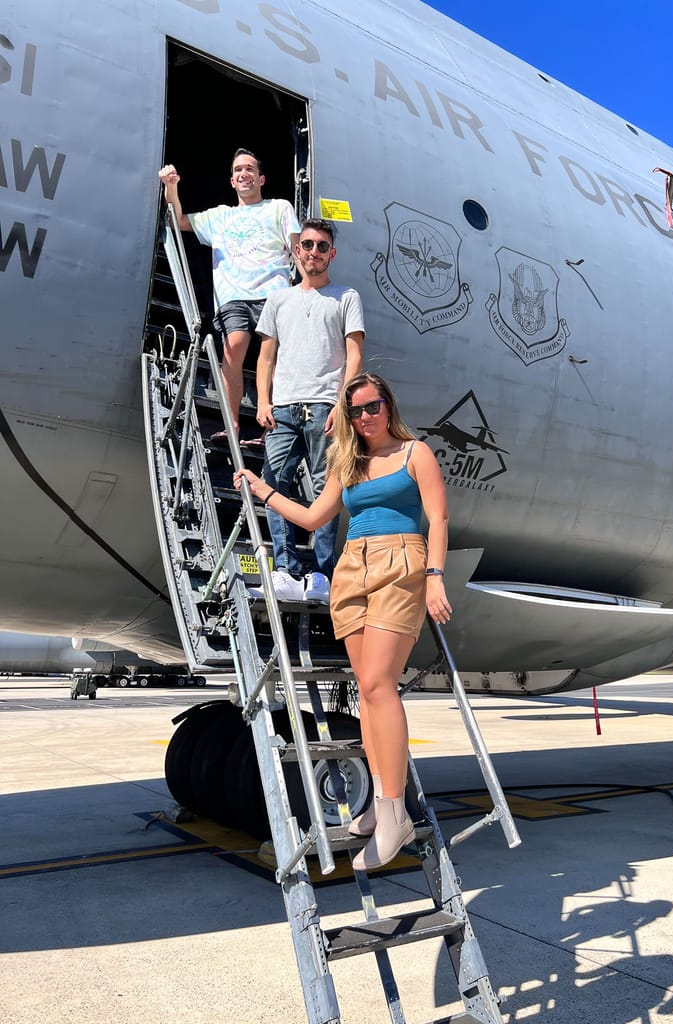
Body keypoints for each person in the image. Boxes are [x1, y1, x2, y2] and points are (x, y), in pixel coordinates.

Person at [234, 372, 452, 871]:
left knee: (379, 685)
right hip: (352, 569)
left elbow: (438, 519)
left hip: (402, 561)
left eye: (371, 407)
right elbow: (313, 518)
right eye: (355, 411)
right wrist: (264, 489)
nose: (365, 417)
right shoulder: (347, 461)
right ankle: (379, 805)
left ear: (387, 405)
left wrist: (435, 575)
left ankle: (394, 812)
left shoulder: (415, 454)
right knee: (365, 687)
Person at [254, 218, 364, 603]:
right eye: (308, 245)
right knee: (273, 483)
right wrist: (263, 401)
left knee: (324, 491)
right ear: (297, 251)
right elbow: (266, 356)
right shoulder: (278, 300)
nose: (314, 252)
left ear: (330, 254)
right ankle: (285, 569)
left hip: (324, 408)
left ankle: (320, 573)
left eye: (322, 247)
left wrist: (342, 404)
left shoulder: (346, 297)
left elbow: (354, 355)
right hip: (283, 407)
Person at [158, 150, 300, 445]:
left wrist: (309, 287)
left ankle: (267, 421)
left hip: (272, 292)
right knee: (233, 347)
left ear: (261, 178)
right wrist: (171, 187)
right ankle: (232, 424)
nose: (243, 173)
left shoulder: (279, 208)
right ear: (232, 181)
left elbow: (296, 246)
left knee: (269, 353)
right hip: (232, 296)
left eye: (249, 169)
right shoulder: (220, 216)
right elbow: (178, 220)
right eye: (238, 170)